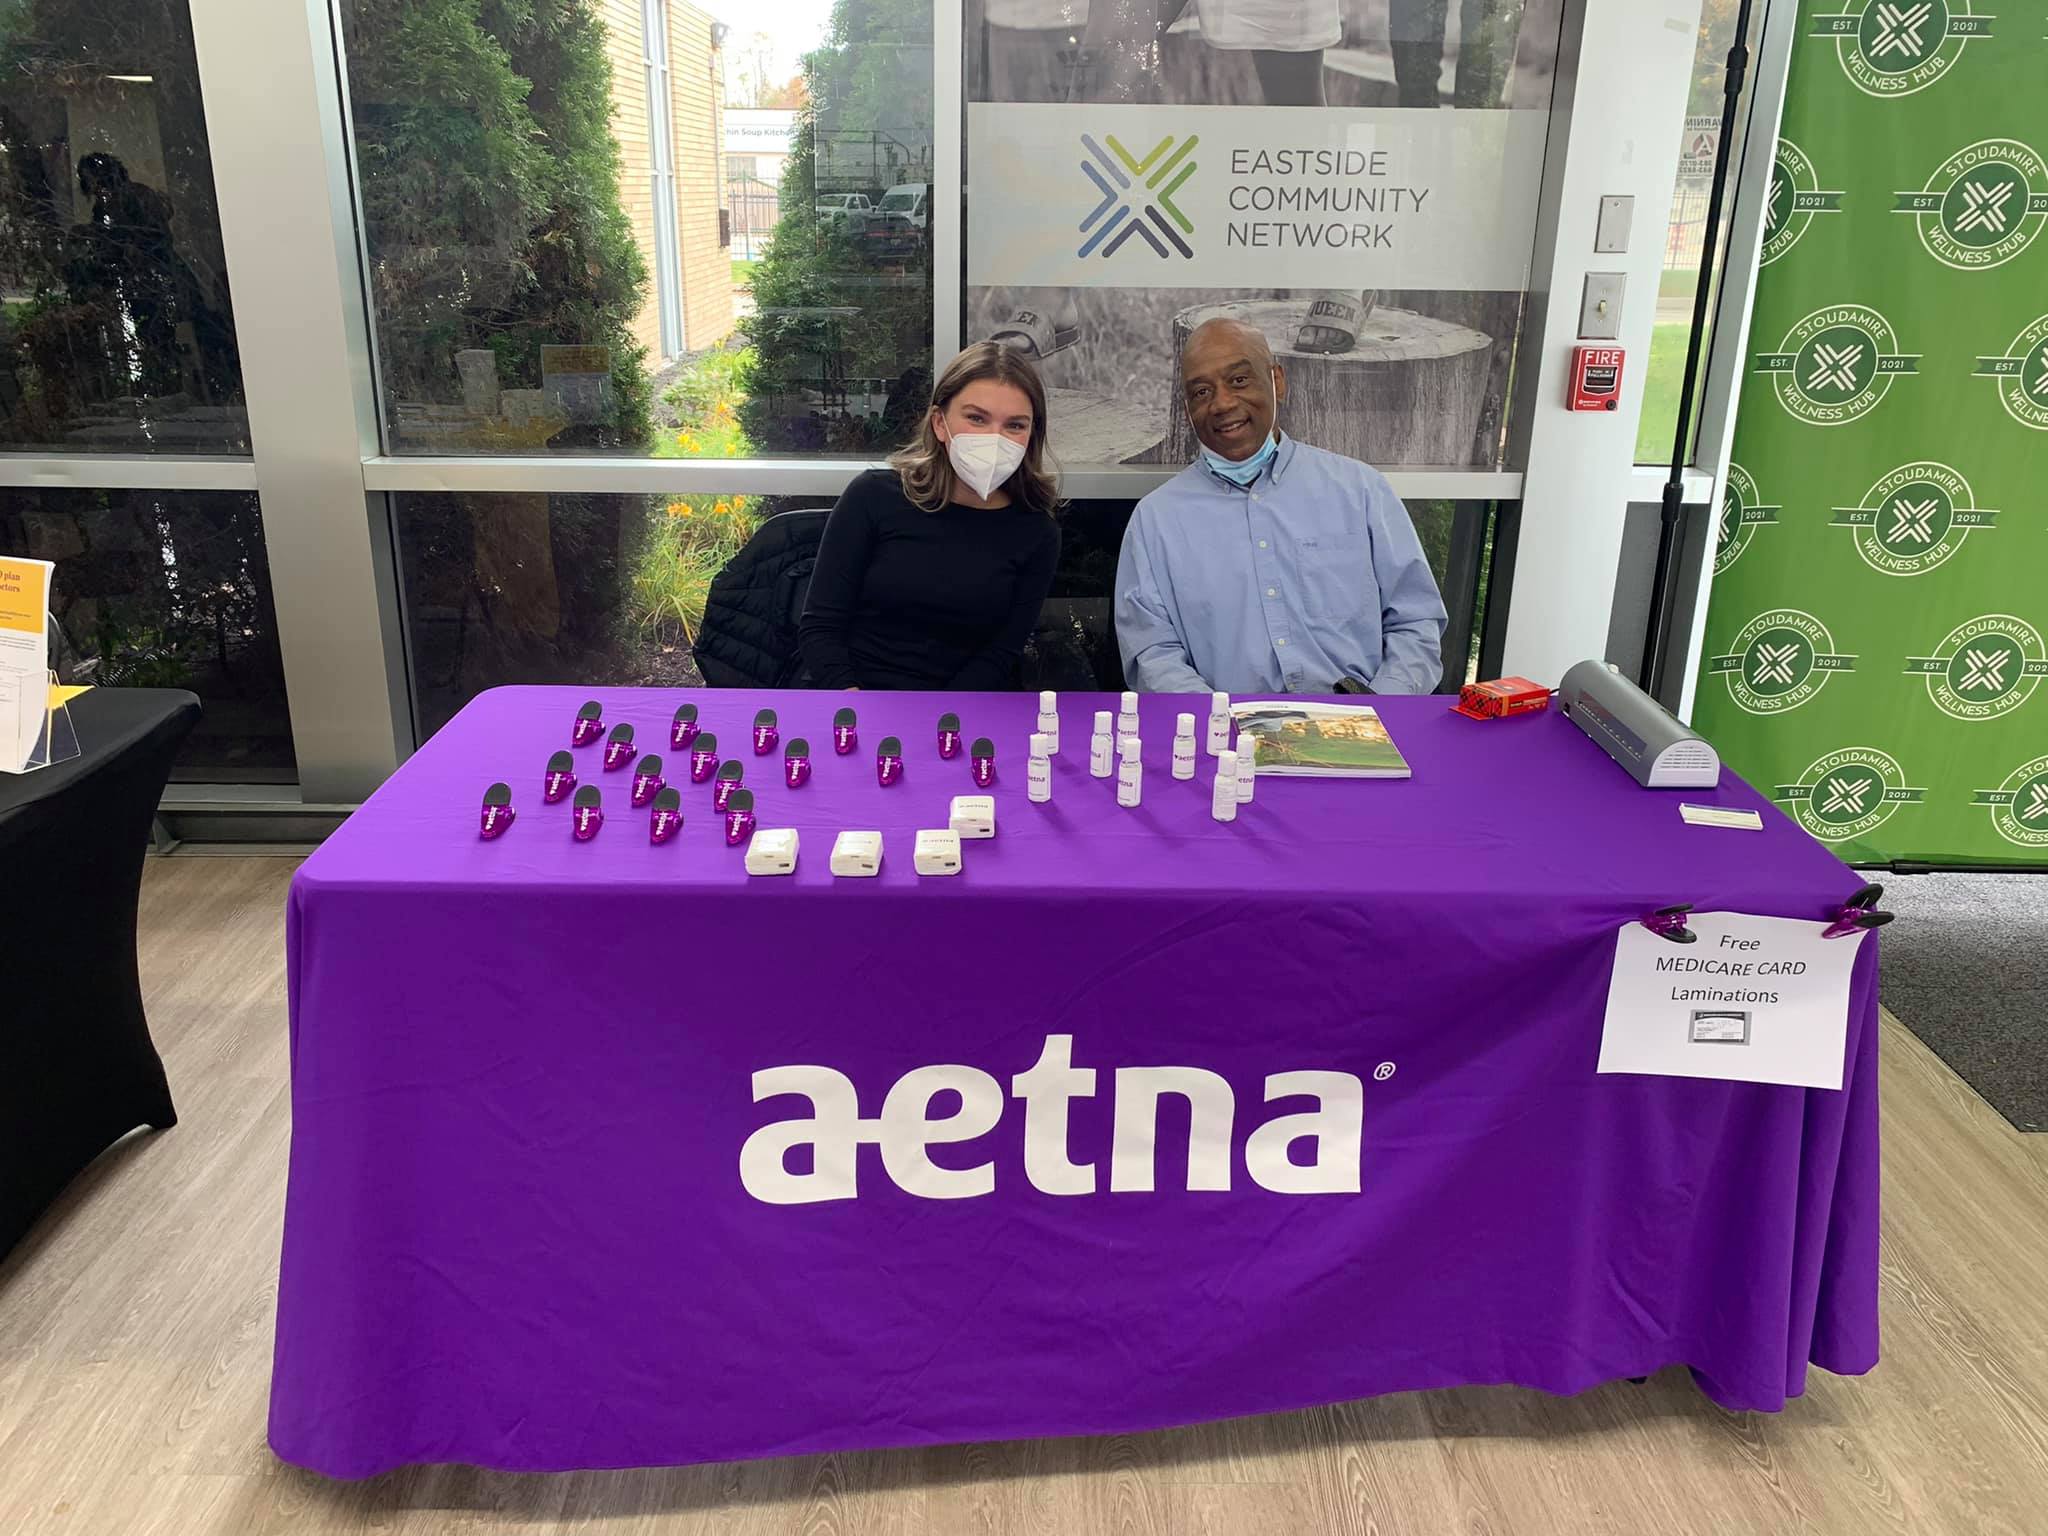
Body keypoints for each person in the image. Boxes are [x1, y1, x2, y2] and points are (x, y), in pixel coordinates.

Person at [1114, 316, 1447, 695]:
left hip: (1360, 735)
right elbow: (1153, 652)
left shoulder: (1359, 490)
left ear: (1277, 381)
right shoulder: (1156, 520)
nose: (1222, 403)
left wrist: (1376, 713)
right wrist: (1220, 727)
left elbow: (1416, 622)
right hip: (1226, 739)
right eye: (1201, 392)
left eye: (1239, 380)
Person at [799, 343, 1062, 690]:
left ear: (1031, 436)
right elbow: (821, 626)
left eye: (1014, 425)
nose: (994, 439)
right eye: (976, 418)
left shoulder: (1037, 531)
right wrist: (854, 707)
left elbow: (1002, 651)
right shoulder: (873, 497)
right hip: (857, 703)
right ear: (940, 423)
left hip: (961, 715)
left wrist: (941, 723)